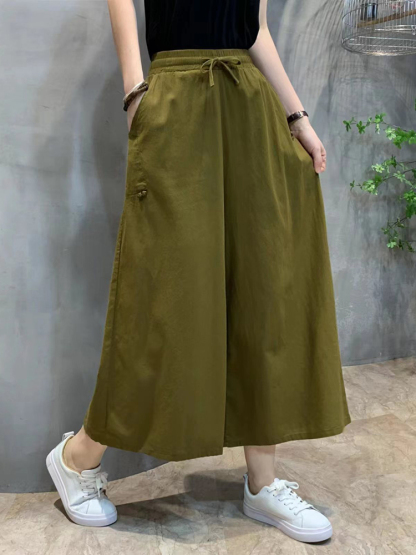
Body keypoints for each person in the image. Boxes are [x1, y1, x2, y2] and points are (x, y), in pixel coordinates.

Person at [46, 0, 351, 543]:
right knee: (169, 298)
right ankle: (77, 457)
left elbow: (255, 29)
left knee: (264, 289)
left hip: (249, 105)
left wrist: (297, 117)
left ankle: (262, 482)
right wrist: (135, 91)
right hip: (177, 100)